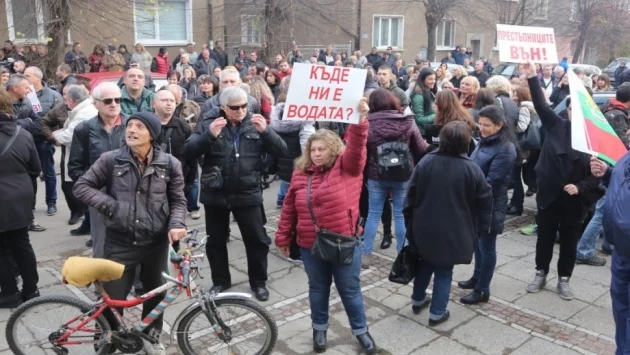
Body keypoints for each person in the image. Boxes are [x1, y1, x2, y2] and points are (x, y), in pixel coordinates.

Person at [73, 111, 187, 355]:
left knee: (156, 295)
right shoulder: (110, 160)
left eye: (139, 127)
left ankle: (150, 340)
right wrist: (112, 207)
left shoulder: (169, 164)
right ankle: (105, 345)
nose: (131, 130)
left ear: (152, 135)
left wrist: (177, 223)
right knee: (112, 302)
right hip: (120, 243)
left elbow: (178, 199)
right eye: (129, 125)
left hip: (156, 244)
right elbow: (82, 186)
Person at [275, 98, 377, 354]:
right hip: (310, 244)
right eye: (313, 149)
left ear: (333, 149)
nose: (317, 153)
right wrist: (283, 238)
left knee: (350, 290)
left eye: (322, 149)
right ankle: (319, 328)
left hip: (344, 242)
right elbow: (289, 208)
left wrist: (361, 120)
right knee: (318, 288)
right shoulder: (300, 173)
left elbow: (356, 148)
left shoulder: (348, 168)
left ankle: (361, 330)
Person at [184, 86, 287, 301]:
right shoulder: (210, 122)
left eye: (243, 106)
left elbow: (282, 151)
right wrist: (209, 136)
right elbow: (189, 151)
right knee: (216, 241)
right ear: (223, 107)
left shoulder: (255, 121)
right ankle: (221, 281)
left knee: (257, 240)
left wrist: (266, 132)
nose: (240, 110)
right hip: (216, 193)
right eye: (234, 107)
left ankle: (258, 282)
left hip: (248, 191)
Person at [523, 61, 604, 300]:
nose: (573, 112)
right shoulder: (556, 125)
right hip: (549, 195)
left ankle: (564, 279)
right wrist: (531, 78)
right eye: (570, 108)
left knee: (569, 242)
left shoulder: (594, 139)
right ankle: (540, 273)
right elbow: (540, 103)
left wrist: (580, 186)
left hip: (575, 200)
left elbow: (599, 173)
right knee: (544, 238)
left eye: (578, 109)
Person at [405, 120, 492, 326]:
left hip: (424, 227)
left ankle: (418, 300)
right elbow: (485, 202)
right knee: (444, 271)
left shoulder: (426, 162)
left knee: (424, 265)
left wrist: (410, 223)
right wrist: (478, 230)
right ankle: (437, 313)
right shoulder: (472, 169)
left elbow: (410, 195)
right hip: (455, 230)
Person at [362, 88, 428, 268]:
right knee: (400, 214)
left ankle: (365, 254)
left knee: (373, 214)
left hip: (376, 175)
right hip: (403, 173)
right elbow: (421, 148)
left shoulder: (367, 123)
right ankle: (401, 254)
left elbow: (362, 151)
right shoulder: (407, 121)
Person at [458, 105, 517, 304]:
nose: (481, 128)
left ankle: (483, 289)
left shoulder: (506, 149)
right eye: (480, 124)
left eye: (487, 125)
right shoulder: (485, 141)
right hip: (477, 202)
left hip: (490, 204)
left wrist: (468, 192)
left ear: (499, 125)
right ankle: (477, 277)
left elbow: (492, 182)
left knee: (487, 247)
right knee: (477, 244)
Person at [68, 82, 126, 252]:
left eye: (118, 99)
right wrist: (93, 190)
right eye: (108, 101)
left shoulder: (132, 124)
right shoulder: (84, 129)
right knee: (101, 246)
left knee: (131, 246)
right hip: (99, 198)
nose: (114, 104)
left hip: (130, 195)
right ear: (96, 103)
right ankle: (102, 278)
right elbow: (75, 168)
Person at [0, 87, 41, 308]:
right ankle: (31, 290)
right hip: (21, 197)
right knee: (22, 244)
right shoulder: (23, 134)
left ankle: (8, 293)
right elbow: (35, 169)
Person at [269, 76, 316, 261]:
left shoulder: (278, 115)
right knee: (300, 212)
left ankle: (288, 244)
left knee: (288, 211)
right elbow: (309, 150)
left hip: (285, 169)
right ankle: (296, 250)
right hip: (301, 170)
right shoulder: (305, 121)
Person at [590, 145, 630, 354]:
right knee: (621, 311)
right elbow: (620, 184)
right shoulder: (626, 156)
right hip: (621, 252)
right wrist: (607, 174)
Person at [51, 84, 97, 226]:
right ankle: (86, 224)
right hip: (77, 156)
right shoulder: (81, 109)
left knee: (85, 192)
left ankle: (90, 226)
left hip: (83, 159)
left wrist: (56, 134)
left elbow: (67, 137)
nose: (64, 100)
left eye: (65, 97)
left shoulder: (85, 113)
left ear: (71, 100)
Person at [7, 74, 46, 232]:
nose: (29, 90)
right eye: (26, 87)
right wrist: (26, 123)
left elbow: (37, 122)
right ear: (15, 88)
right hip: (8, 151)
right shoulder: (5, 103)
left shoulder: (27, 101)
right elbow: (7, 125)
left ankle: (29, 218)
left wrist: (20, 125)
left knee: (30, 183)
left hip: (26, 147)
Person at [24, 66, 63, 216]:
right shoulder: (24, 95)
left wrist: (51, 138)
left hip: (45, 141)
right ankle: (31, 203)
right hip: (27, 141)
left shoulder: (53, 95)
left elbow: (59, 119)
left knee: (48, 172)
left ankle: (51, 202)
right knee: (29, 174)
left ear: (37, 78)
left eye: (27, 76)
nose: (24, 78)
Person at [506, 87, 535, 216]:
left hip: (520, 147)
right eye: (514, 94)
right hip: (520, 147)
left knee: (515, 177)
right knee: (515, 176)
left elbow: (521, 127)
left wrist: (510, 128)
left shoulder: (523, 108)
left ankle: (517, 205)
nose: (514, 97)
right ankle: (514, 203)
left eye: (517, 95)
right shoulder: (521, 107)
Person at [411, 68, 437, 135]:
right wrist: (436, 115)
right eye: (430, 79)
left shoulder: (429, 92)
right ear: (423, 80)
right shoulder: (418, 96)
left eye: (434, 79)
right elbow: (418, 120)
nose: (433, 81)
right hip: (422, 133)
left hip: (428, 131)